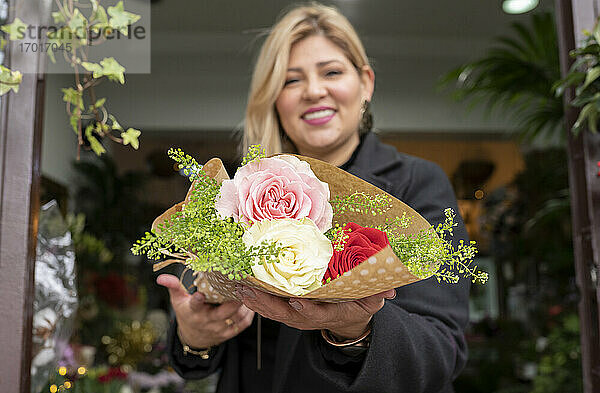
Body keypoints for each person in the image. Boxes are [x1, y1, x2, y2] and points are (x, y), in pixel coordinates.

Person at [158, 4, 470, 392]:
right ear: (274, 98)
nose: (313, 91)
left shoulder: (417, 183)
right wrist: (195, 335)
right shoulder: (239, 190)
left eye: (332, 72)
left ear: (366, 83)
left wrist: (355, 330)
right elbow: (198, 345)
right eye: (291, 81)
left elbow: (443, 349)